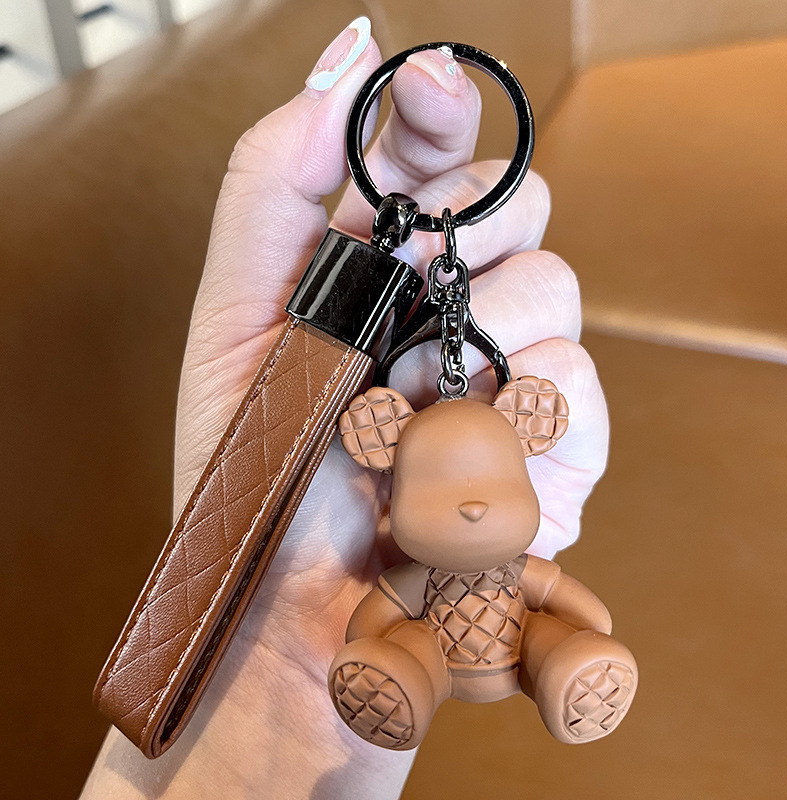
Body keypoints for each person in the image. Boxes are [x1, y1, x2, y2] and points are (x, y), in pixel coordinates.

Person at [80, 17, 608, 799]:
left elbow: (577, 609)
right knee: (407, 666)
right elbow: (375, 625)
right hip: (414, 655)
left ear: (531, 422)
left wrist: (584, 638)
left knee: (560, 650)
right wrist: (288, 663)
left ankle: (567, 675)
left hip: (517, 644)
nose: (469, 504)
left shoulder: (503, 546)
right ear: (380, 441)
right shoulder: (399, 556)